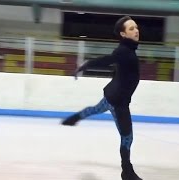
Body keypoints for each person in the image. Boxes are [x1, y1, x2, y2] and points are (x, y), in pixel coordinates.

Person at [61, 16, 142, 180]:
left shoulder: (128, 50)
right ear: (123, 33)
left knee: (96, 109)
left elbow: (120, 69)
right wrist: (86, 65)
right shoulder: (124, 51)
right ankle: (127, 172)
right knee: (127, 137)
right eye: (131, 28)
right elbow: (107, 60)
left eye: (136, 27)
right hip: (119, 102)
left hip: (112, 95)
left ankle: (74, 118)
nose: (136, 30)